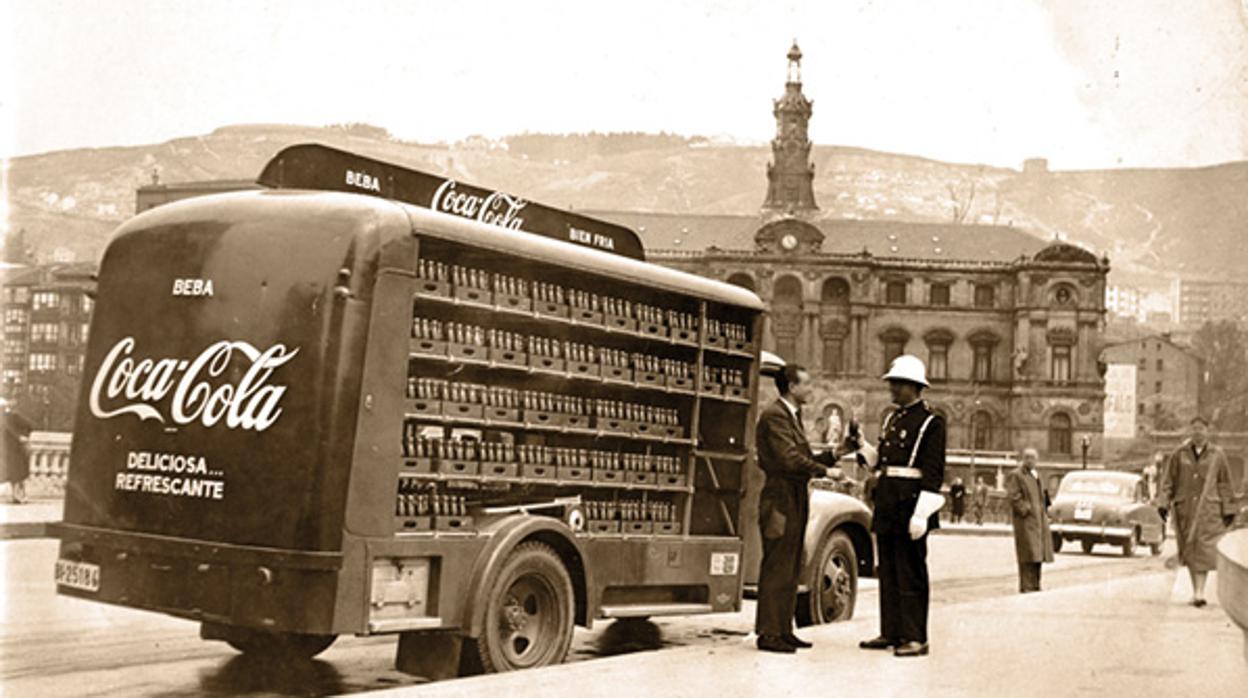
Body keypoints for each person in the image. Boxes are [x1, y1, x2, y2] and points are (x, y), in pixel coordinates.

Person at [754, 364, 850, 653]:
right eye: (806, 384)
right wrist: (826, 472)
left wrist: (835, 454)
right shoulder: (775, 417)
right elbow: (788, 460)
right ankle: (769, 634)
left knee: (792, 563)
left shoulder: (790, 417)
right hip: (780, 498)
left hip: (792, 496)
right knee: (777, 565)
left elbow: (803, 457)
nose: (810, 389)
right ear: (791, 387)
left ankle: (784, 629)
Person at [858, 355, 945, 658]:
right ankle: (891, 631)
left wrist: (922, 513)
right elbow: (882, 463)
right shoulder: (891, 418)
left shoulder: (932, 422)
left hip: (910, 504)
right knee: (890, 570)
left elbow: (933, 472)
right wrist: (862, 447)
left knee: (911, 572)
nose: (891, 389)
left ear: (913, 386)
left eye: (896, 384)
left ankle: (915, 636)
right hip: (888, 502)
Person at [1159, 416, 1236, 607]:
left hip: (1209, 510)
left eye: (1201, 429)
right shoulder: (1179, 454)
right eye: (1194, 429)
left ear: (1208, 431)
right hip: (1185, 509)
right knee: (1190, 549)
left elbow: (1224, 483)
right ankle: (1196, 591)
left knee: (1203, 551)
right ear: (1190, 431)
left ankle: (1200, 593)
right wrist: (1163, 503)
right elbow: (1169, 480)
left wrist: (1229, 508)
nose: (1197, 432)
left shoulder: (1217, 455)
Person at [1005, 448, 1053, 593]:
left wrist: (1045, 511)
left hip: (1039, 520)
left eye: (1033, 458)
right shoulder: (1017, 475)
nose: (1030, 460)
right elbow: (1013, 496)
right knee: (1027, 553)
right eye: (1028, 457)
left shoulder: (1036, 475)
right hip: (1025, 522)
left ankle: (1036, 584)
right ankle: (1026, 585)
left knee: (1038, 554)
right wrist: (1026, 510)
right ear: (1023, 459)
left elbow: (1043, 496)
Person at [2, 406, 33, 504]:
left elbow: (29, 425)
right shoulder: (9, 417)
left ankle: (19, 496)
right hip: (11, 450)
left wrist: (21, 436)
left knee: (16, 475)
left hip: (15, 450)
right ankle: (18, 496)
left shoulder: (12, 417)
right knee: (16, 475)